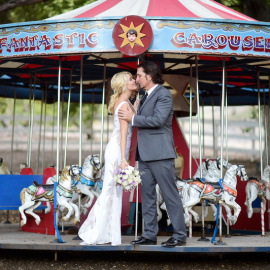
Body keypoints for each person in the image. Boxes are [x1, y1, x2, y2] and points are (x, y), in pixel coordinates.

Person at [118, 61, 187, 247]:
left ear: (149, 76)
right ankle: (149, 234)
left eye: (139, 75)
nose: (137, 79)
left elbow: (158, 120)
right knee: (147, 197)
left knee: (169, 195)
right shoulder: (145, 95)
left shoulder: (163, 94)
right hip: (145, 155)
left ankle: (180, 235)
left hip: (161, 154)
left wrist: (133, 118)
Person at [78, 71, 138, 246]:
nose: (134, 80)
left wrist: (138, 103)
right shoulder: (124, 106)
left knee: (113, 191)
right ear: (123, 85)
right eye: (130, 79)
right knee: (111, 191)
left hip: (116, 147)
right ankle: (101, 232)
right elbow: (124, 134)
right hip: (117, 150)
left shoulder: (125, 103)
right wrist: (123, 159)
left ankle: (107, 232)